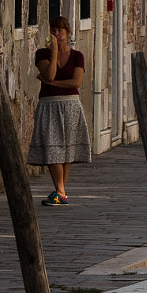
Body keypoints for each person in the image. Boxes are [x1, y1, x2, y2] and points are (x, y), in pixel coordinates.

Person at [29, 15, 89, 205]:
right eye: (54, 31)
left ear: (67, 32)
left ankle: (60, 192)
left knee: (66, 149)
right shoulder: (42, 54)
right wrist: (54, 51)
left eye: (60, 31)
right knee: (52, 146)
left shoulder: (77, 56)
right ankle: (61, 191)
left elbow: (76, 82)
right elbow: (50, 72)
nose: (57, 34)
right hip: (49, 104)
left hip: (71, 104)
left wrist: (51, 82)